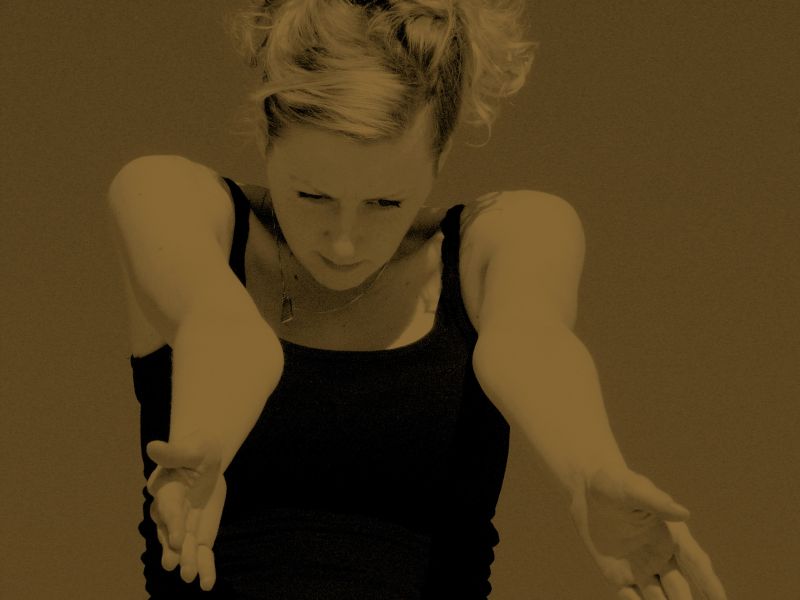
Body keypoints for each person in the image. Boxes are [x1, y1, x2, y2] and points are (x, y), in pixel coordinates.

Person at [108, 0, 728, 598]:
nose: (345, 243)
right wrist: (207, 439)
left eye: (385, 203)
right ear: (267, 136)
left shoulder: (511, 232)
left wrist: (591, 470)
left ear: (442, 154)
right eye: (313, 196)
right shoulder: (168, 197)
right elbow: (224, 329)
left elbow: (530, 340)